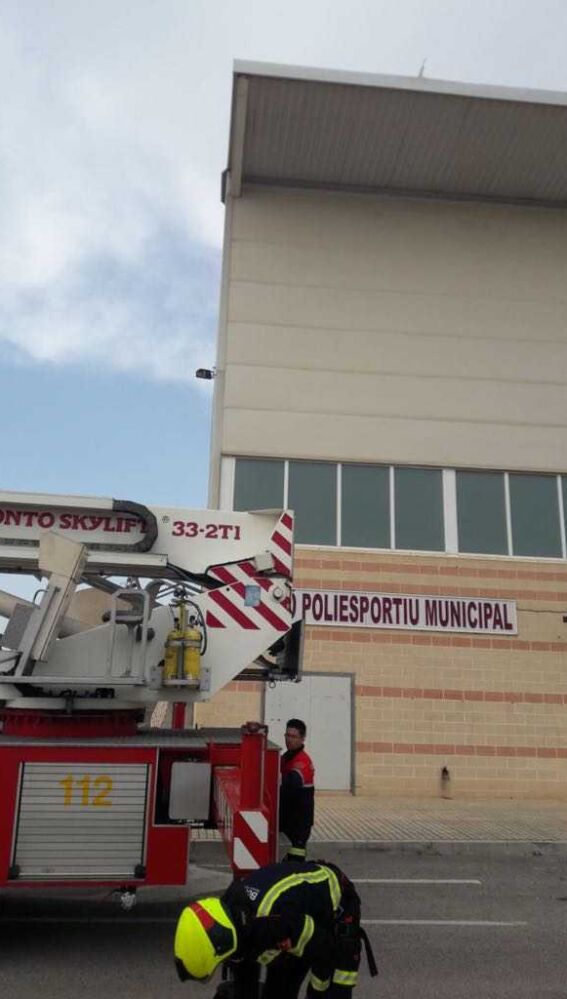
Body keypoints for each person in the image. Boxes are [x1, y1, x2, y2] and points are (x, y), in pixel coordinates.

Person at [173, 859, 377, 999]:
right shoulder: (233, 923)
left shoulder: (272, 922)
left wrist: (318, 988)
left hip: (335, 909)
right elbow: (246, 981)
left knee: (334, 989)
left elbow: (322, 949)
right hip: (293, 920)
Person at [279, 718, 315, 862]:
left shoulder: (302, 762)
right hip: (289, 822)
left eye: (293, 736)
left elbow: (290, 784)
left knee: (295, 865)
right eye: (287, 735)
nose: (289, 739)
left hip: (298, 825)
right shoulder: (287, 757)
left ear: (302, 739)